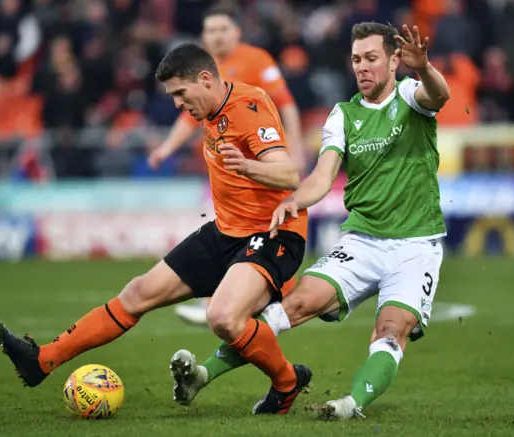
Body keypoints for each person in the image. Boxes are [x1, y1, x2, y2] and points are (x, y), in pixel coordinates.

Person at [0, 42, 312, 415]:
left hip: (274, 233)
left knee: (223, 317)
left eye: (180, 93)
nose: (177, 103)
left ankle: (287, 383)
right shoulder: (210, 111)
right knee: (138, 292)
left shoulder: (248, 107)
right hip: (227, 232)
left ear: (205, 79)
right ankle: (41, 360)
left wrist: (246, 166)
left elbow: (289, 173)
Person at [168, 22, 451, 420]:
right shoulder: (343, 115)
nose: (362, 67)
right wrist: (292, 201)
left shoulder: (409, 95)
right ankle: (202, 374)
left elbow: (439, 94)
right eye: (356, 60)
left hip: (416, 246)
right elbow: (321, 177)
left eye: (371, 58)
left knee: (390, 331)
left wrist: (422, 68)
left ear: (393, 60)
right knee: (292, 305)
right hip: (362, 240)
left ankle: (351, 405)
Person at [148, 5, 305, 327]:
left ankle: (273, 296)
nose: (216, 36)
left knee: (260, 226)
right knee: (226, 223)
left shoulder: (257, 60)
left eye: (222, 29)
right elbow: (187, 118)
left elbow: (285, 104)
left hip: (261, 154)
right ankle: (228, 295)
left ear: (237, 32)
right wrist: (166, 148)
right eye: (210, 31)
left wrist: (296, 149)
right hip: (227, 160)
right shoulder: (200, 70)